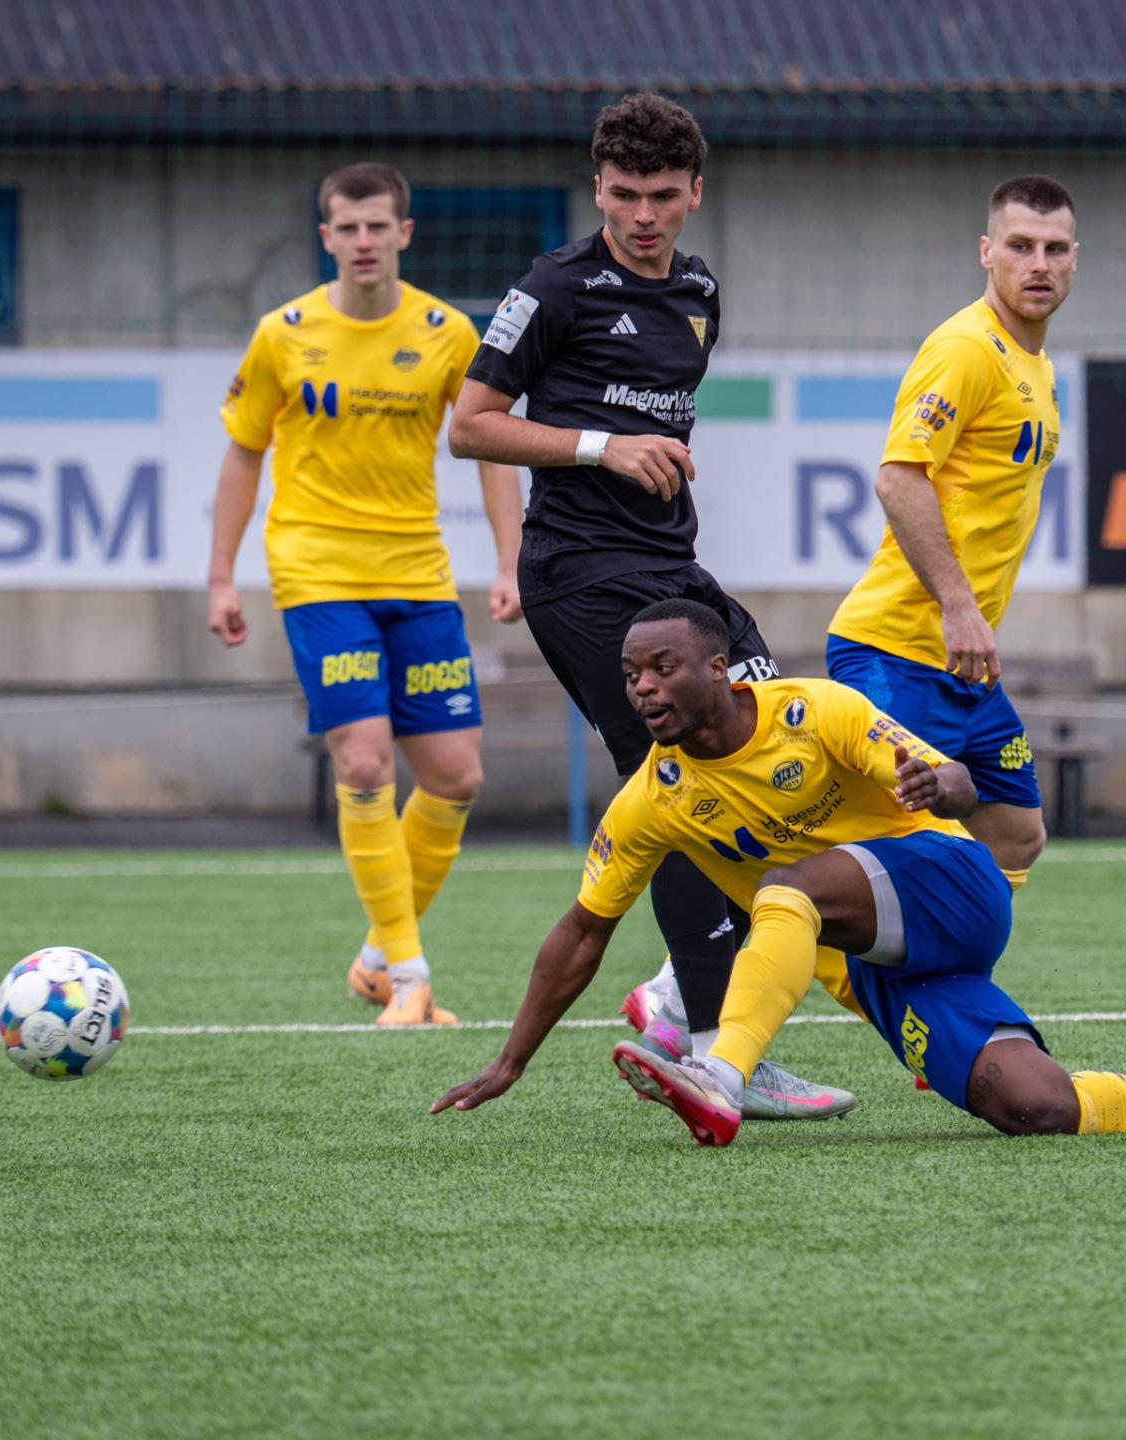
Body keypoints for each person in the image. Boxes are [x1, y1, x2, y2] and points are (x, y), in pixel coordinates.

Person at [430, 600, 1126, 1146]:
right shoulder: (652, 800)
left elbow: (959, 781)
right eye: (631, 676)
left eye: (662, 668)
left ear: (718, 668)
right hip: (883, 970)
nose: (642, 689)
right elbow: (583, 931)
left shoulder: (815, 710)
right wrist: (511, 1061)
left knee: (786, 888)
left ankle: (722, 1075)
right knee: (1033, 1107)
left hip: (952, 882)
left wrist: (939, 781)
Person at [445, 93, 850, 1119]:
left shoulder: (701, 292)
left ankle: (674, 995)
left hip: (674, 573)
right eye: (623, 194)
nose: (642, 215)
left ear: (694, 193)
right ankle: (717, 1046)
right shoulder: (553, 288)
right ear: (597, 189)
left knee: (765, 737)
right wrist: (602, 447)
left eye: (662, 196)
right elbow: (471, 427)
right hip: (580, 575)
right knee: (678, 785)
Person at [208, 162, 524, 1026]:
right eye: (347, 229)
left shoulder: (447, 332)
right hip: (317, 574)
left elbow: (490, 443)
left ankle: (378, 956)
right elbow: (243, 452)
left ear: (403, 233)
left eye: (377, 226)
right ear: (327, 238)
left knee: (456, 776)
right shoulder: (282, 334)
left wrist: (509, 561)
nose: (363, 242)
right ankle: (411, 974)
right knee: (362, 761)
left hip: (417, 574)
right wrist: (220, 577)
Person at [825, 175, 1077, 891]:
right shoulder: (966, 347)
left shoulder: (1035, 365)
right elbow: (898, 480)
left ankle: (940, 952)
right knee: (867, 844)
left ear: (1074, 257)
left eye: (1055, 249)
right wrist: (959, 605)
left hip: (961, 668)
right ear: (986, 252)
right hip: (894, 650)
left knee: (1016, 833)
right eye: (1020, 246)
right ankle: (733, 951)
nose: (1039, 264)